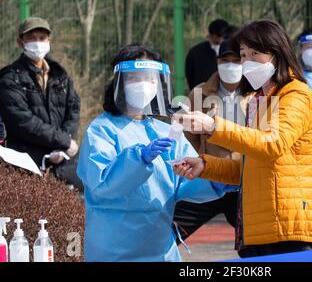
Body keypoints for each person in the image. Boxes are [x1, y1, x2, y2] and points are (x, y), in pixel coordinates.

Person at [173, 20, 312, 258]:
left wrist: (214, 126)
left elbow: (273, 144)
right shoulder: (260, 101)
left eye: (254, 54)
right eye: (243, 55)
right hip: (260, 229)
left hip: (291, 229)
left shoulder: (295, 94)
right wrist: (206, 165)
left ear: (276, 54)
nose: (247, 62)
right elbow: (250, 167)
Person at [76, 44, 236, 262]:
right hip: (113, 250)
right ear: (119, 83)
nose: (143, 85)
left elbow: (185, 179)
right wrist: (138, 158)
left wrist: (216, 179)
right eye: (135, 78)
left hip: (160, 249)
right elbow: (102, 184)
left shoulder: (164, 131)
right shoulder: (102, 129)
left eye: (150, 78)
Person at [173, 40, 252, 240]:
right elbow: (186, 130)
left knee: (253, 243)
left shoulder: (255, 94)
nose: (231, 65)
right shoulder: (200, 92)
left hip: (244, 181)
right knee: (171, 230)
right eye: (225, 60)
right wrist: (201, 153)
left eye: (236, 60)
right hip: (209, 178)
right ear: (217, 61)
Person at [0, 17, 81, 189]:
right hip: (26, 165)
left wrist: (63, 146)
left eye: (42, 38)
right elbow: (23, 122)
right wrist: (64, 142)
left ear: (49, 41)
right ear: (20, 42)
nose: (38, 43)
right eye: (32, 38)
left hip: (62, 165)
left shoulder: (61, 75)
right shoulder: (10, 79)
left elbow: (73, 109)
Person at [185, 19, 229, 90]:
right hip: (201, 93)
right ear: (211, 35)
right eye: (218, 37)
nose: (221, 41)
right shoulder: (195, 52)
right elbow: (190, 76)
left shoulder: (233, 51)